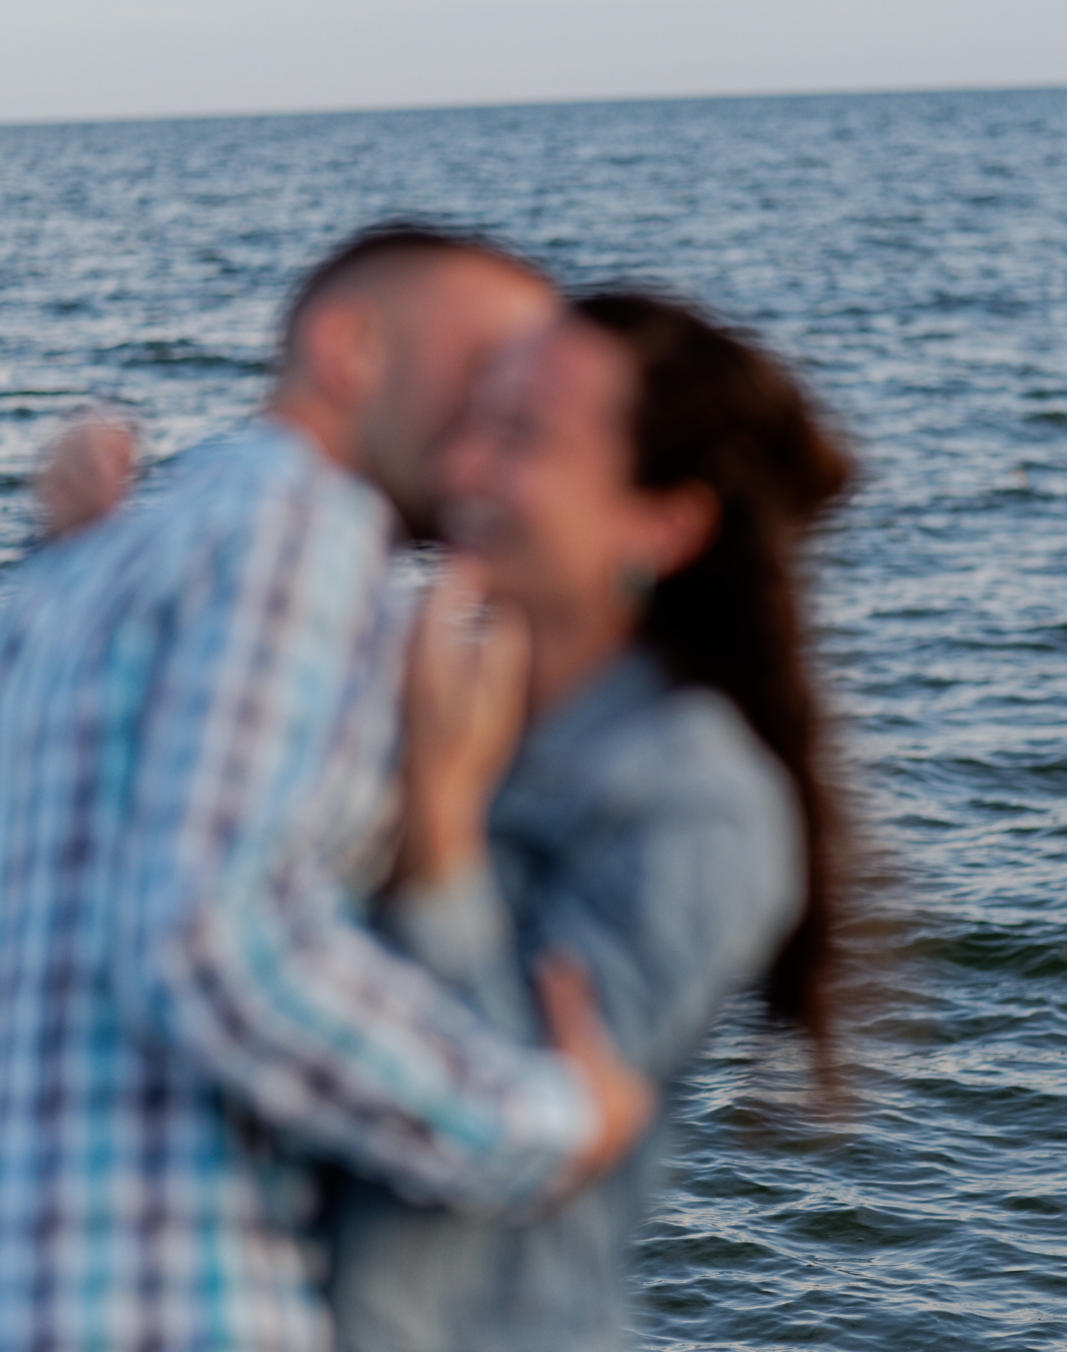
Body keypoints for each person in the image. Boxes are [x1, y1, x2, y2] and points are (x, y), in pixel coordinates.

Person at [0, 226, 653, 1352]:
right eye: (484, 374)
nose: (503, 428)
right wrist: (537, 1118)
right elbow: (211, 941)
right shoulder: (305, 527)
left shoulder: (106, 567)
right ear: (349, 350)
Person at [330, 289, 855, 1352]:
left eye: (521, 436)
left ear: (662, 521)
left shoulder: (699, 804)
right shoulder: (429, 686)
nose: (465, 464)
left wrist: (438, 831)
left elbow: (493, 1129)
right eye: (479, 416)